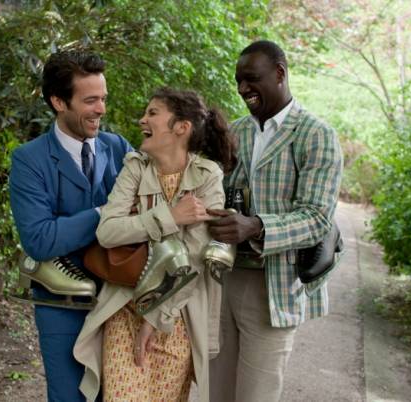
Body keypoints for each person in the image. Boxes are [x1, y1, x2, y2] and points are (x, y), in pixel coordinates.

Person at [73, 88, 237, 402]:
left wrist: (154, 318)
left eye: (152, 113)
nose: (142, 120)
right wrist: (170, 217)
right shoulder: (135, 166)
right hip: (125, 306)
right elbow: (107, 231)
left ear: (181, 127)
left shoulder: (207, 176)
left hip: (177, 316)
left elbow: (195, 259)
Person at [207, 40, 343, 402]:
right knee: (216, 393)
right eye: (238, 81)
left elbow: (317, 217)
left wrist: (256, 226)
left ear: (280, 73)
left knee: (255, 395)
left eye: (251, 78)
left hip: (274, 288)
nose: (242, 89)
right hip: (223, 280)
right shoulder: (234, 132)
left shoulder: (316, 135)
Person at [8, 50, 132, 402]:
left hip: (119, 299)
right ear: (58, 101)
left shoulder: (118, 147)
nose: (101, 110)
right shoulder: (28, 160)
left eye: (103, 98)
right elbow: (40, 240)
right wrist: (106, 213)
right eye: (90, 100)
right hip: (62, 308)